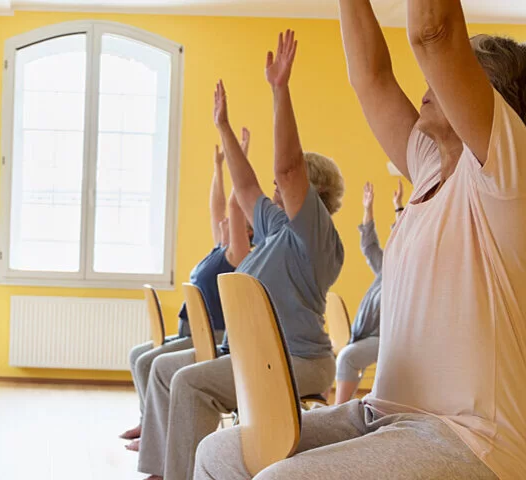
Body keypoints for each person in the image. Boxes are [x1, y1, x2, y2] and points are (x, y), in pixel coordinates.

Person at [194, 0, 526, 476]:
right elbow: (371, 76)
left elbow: (435, 32)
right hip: (384, 414)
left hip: (473, 440)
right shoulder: (433, 166)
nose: (429, 83)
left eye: (459, 71)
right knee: (220, 453)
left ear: (497, 102)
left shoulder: (518, 177)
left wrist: (443, 48)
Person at [139, 30, 345, 480]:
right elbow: (248, 187)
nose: (273, 192)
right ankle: (161, 470)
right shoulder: (275, 229)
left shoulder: (316, 235)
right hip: (257, 356)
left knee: (189, 382)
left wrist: (280, 90)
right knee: (174, 375)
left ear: (312, 194)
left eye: (285, 190)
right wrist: (224, 129)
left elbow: (286, 169)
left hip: (299, 362)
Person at [124, 132, 255, 450]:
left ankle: (155, 436)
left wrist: (242, 158)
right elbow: (217, 206)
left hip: (210, 337)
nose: (224, 218)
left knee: (148, 363)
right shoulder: (219, 249)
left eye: (234, 220)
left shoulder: (238, 255)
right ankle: (149, 426)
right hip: (192, 333)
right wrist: (218, 167)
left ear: (246, 230)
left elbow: (236, 202)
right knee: (139, 357)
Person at [332, 180, 402, 405]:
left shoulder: (409, 274)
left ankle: (338, 411)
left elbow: (405, 233)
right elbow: (369, 245)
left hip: (390, 340)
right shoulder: (385, 267)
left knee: (347, 357)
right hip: (368, 336)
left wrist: (399, 208)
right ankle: (323, 408)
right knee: (337, 355)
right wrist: (367, 209)